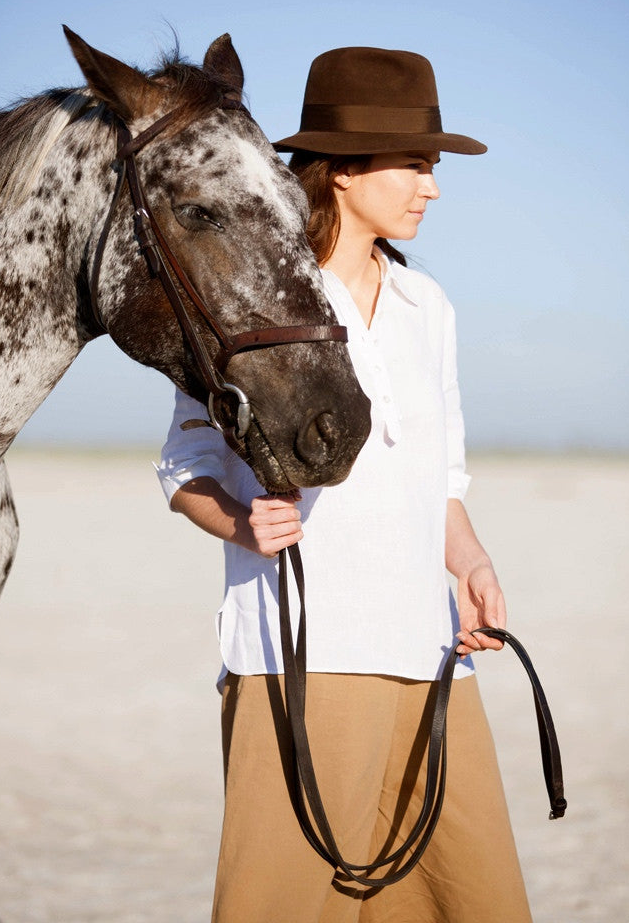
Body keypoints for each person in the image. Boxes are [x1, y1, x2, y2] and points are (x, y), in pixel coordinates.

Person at [156, 46, 533, 923]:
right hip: (300, 658)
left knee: (464, 901)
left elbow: (438, 476)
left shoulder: (427, 308)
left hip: (430, 659)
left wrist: (471, 568)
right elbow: (185, 466)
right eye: (415, 165)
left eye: (432, 168)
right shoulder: (247, 298)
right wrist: (241, 524)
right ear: (344, 171)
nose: (430, 188)